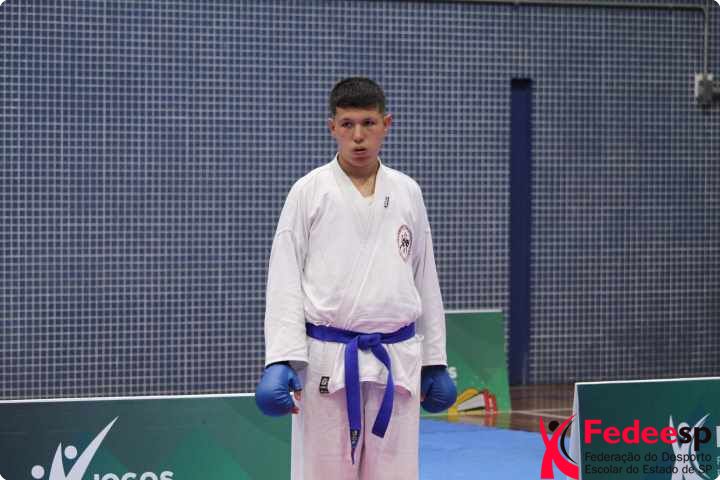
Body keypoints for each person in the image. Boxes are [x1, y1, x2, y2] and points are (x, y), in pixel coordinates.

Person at [255, 77, 456, 480]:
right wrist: (280, 358)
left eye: (368, 123)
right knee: (323, 472)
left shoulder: (408, 192)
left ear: (387, 124)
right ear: (332, 127)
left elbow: (424, 278)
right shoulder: (308, 191)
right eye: (347, 124)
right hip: (328, 358)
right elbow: (284, 277)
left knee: (396, 473)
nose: (358, 136)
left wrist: (435, 361)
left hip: (396, 358)